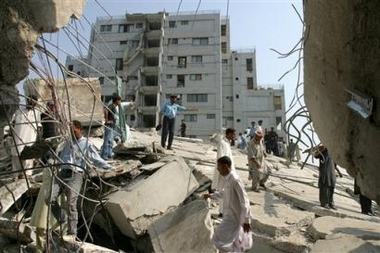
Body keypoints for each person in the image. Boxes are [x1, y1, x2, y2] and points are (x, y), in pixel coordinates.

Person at [49, 120, 113, 241]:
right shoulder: (67, 142)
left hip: (76, 174)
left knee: (71, 203)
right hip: (63, 173)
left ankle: (72, 233)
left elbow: (96, 159)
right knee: (50, 198)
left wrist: (110, 167)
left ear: (79, 129)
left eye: (73, 130)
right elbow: (60, 156)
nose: (71, 133)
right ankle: (62, 217)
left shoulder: (86, 144)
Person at [203, 156, 252, 253]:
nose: (218, 169)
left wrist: (246, 220)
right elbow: (224, 192)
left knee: (217, 236)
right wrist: (211, 196)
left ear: (225, 166)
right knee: (232, 241)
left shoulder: (235, 179)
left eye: (219, 166)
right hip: (230, 215)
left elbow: (244, 200)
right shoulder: (228, 179)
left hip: (235, 217)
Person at [11, 95, 42, 179]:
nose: (32, 103)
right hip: (18, 135)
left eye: (34, 102)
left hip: (30, 137)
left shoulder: (37, 112)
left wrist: (38, 139)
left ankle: (27, 173)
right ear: (27, 101)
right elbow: (12, 122)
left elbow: (39, 126)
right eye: (30, 101)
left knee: (28, 156)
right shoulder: (19, 109)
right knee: (16, 153)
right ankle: (16, 174)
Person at [212, 128, 236, 217]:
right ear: (229, 134)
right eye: (233, 134)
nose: (234, 136)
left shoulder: (227, 143)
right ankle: (222, 212)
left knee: (227, 191)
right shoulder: (222, 143)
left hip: (229, 171)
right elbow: (220, 158)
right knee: (222, 190)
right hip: (224, 171)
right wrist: (222, 170)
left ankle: (225, 210)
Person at [313, 145, 342, 210]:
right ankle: (324, 203)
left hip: (331, 171)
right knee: (325, 186)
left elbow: (334, 164)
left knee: (332, 186)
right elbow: (315, 155)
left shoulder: (333, 152)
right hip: (325, 170)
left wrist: (339, 172)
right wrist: (323, 149)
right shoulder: (323, 148)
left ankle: (331, 203)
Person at [101, 95, 121, 160]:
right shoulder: (111, 106)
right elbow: (105, 110)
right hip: (108, 126)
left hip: (112, 126)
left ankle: (109, 155)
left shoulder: (114, 107)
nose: (120, 102)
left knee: (110, 141)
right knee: (107, 141)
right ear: (117, 100)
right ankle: (104, 155)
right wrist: (107, 120)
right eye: (119, 100)